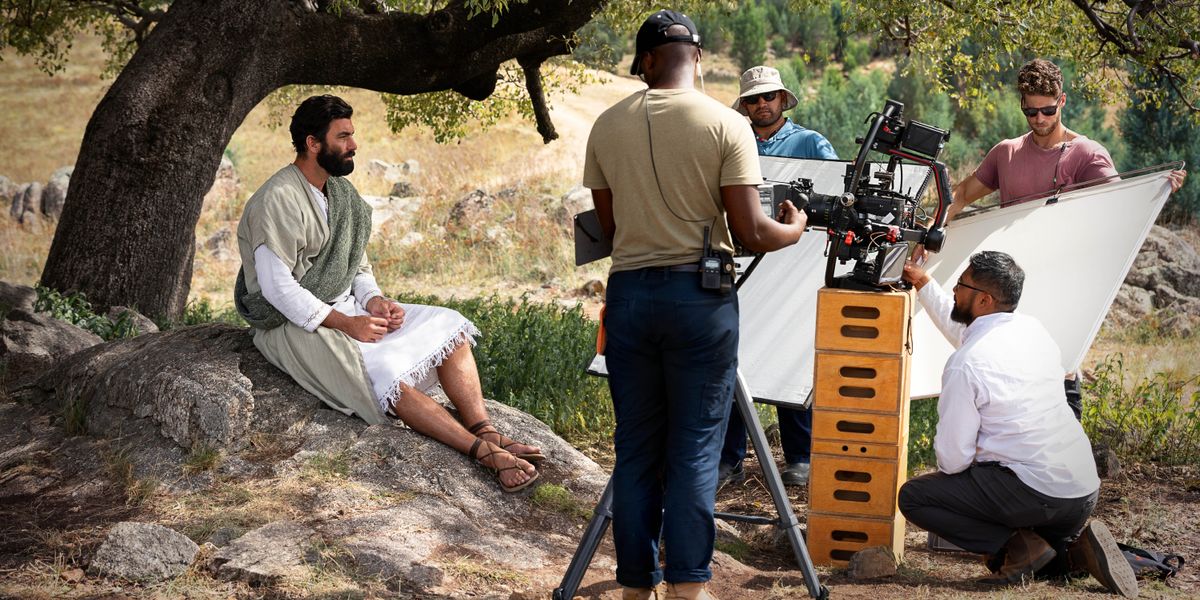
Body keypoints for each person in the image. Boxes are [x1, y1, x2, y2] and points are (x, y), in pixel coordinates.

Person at [583, 10, 806, 600]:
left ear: (645, 61)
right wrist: (796, 228)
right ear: (699, 58)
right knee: (695, 448)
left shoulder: (605, 124)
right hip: (699, 300)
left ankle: (636, 588)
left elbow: (609, 228)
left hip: (629, 296)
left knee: (635, 448)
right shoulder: (726, 125)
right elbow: (752, 231)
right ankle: (688, 587)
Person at [234, 95, 542, 493]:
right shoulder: (275, 200)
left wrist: (374, 301)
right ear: (313, 143)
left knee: (449, 325)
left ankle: (485, 428)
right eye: (343, 137)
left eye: (352, 135)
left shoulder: (340, 193)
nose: (353, 145)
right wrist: (347, 324)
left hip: (345, 308)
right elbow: (277, 289)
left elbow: (356, 267)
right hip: (292, 324)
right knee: (383, 374)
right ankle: (481, 451)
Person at [918, 58, 1187, 419]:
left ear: (1062, 101)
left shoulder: (1087, 154)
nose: (1040, 119)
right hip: (1010, 288)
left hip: (1060, 286)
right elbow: (962, 195)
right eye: (1031, 112)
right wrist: (929, 233)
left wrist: (1155, 190)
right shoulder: (1006, 152)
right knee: (1004, 377)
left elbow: (1119, 206)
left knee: (1058, 375)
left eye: (1048, 110)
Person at [897, 251, 1137, 598]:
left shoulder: (966, 363)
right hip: (1080, 493)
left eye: (960, 284)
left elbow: (953, 461)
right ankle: (1076, 554)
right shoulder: (1031, 330)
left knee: (915, 497)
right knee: (1043, 556)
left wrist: (983, 458)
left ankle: (1020, 547)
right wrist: (922, 282)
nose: (954, 290)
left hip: (1034, 494)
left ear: (984, 300)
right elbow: (964, 331)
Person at [717, 66, 839, 490]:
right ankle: (729, 459)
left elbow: (833, 198)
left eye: (768, 96)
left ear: (783, 99)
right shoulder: (733, 141)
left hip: (794, 261)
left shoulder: (811, 143)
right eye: (752, 99)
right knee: (735, 354)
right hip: (740, 260)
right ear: (744, 105)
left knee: (791, 354)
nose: (761, 104)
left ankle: (800, 456)